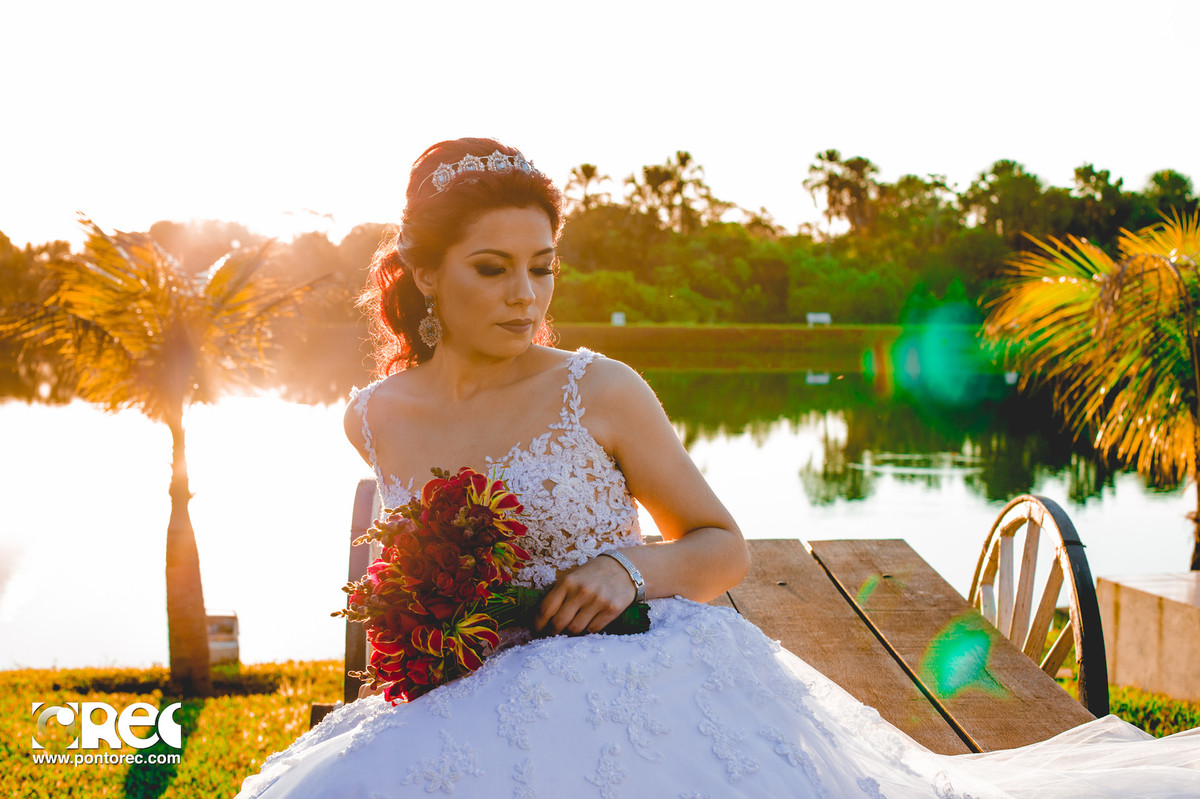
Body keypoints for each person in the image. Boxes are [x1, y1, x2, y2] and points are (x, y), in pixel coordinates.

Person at [236, 138, 1200, 799]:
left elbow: (722, 547)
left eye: (545, 266)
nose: (527, 295)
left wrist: (626, 567)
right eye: (493, 268)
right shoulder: (373, 419)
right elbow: (393, 581)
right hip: (462, 696)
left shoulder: (598, 389)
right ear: (421, 269)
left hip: (631, 676)